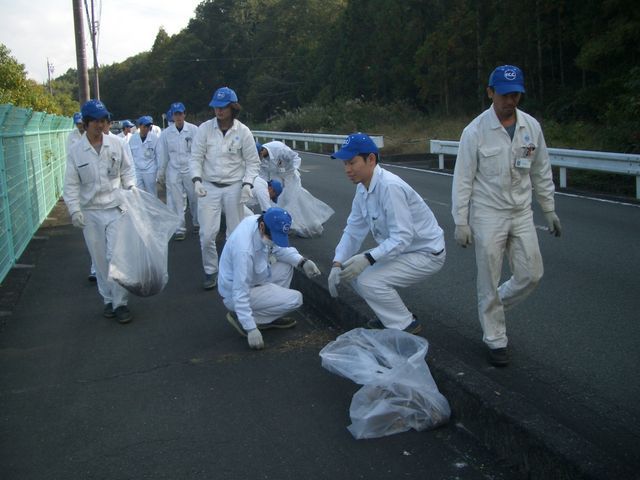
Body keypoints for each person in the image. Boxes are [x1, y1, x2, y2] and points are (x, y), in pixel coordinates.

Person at [451, 65, 562, 367]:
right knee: (488, 276)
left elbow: (541, 170)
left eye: (515, 95)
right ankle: (495, 339)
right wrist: (461, 220)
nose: (510, 101)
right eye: (504, 94)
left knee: (531, 274)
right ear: (490, 92)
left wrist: (548, 209)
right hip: (488, 213)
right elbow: (462, 179)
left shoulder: (531, 127)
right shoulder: (474, 132)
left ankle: (493, 304)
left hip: (521, 212)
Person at [327, 133, 445, 335]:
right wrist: (338, 262)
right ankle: (390, 317)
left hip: (425, 253)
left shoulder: (390, 187)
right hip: (403, 249)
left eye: (352, 163)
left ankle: (405, 325)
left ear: (371, 159)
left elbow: (402, 237)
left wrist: (368, 258)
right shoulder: (363, 188)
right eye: (345, 163)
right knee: (351, 271)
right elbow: (354, 229)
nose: (347, 169)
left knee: (368, 280)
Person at [63, 99, 137, 324]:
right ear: (85, 123)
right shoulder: (76, 151)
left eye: (103, 120)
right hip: (91, 211)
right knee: (99, 259)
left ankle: (121, 303)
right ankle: (108, 299)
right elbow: (71, 185)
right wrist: (74, 210)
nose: (100, 125)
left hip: (115, 207)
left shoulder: (115, 144)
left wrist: (132, 187)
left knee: (116, 256)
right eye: (95, 121)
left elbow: (127, 170)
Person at [218, 207, 321, 350]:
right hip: (235, 292)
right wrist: (250, 328)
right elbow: (240, 291)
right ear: (261, 227)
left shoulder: (260, 222)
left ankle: (269, 312)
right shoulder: (244, 251)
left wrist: (302, 262)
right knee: (296, 299)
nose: (274, 241)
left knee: (287, 266)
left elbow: (280, 249)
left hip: (254, 277)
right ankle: (246, 319)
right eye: (273, 237)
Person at [190, 86, 261, 290]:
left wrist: (248, 183)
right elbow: (195, 157)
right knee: (207, 234)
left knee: (235, 233)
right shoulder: (205, 129)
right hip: (209, 186)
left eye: (223, 107)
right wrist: (196, 180)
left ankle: (232, 270)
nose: (218, 111)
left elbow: (252, 162)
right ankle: (211, 270)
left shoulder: (243, 132)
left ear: (232, 108)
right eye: (215, 107)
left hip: (234, 187)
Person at [257, 140, 334, 237]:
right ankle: (285, 225)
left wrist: (292, 172)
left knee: (292, 200)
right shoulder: (259, 160)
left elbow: (295, 157)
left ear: (261, 151)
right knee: (278, 201)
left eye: (257, 156)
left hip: (290, 175)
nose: (257, 159)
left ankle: (313, 222)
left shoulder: (278, 147)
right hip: (276, 177)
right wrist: (268, 186)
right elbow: (263, 175)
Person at [157, 102, 199, 241]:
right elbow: (163, 154)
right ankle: (180, 228)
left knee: (195, 197)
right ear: (172, 116)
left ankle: (197, 222)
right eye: (176, 114)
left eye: (180, 113)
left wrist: (200, 169)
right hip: (173, 169)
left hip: (190, 168)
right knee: (176, 201)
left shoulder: (193, 130)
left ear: (184, 114)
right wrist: (161, 172)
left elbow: (199, 151)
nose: (178, 116)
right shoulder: (166, 134)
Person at [129, 115, 160, 196]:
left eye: (148, 126)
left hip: (150, 170)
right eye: (144, 126)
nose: (146, 129)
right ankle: (141, 209)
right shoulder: (133, 139)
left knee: (152, 194)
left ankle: (153, 208)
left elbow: (159, 156)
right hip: (137, 170)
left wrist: (159, 171)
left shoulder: (154, 138)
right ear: (139, 126)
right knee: (138, 194)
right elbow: (130, 156)